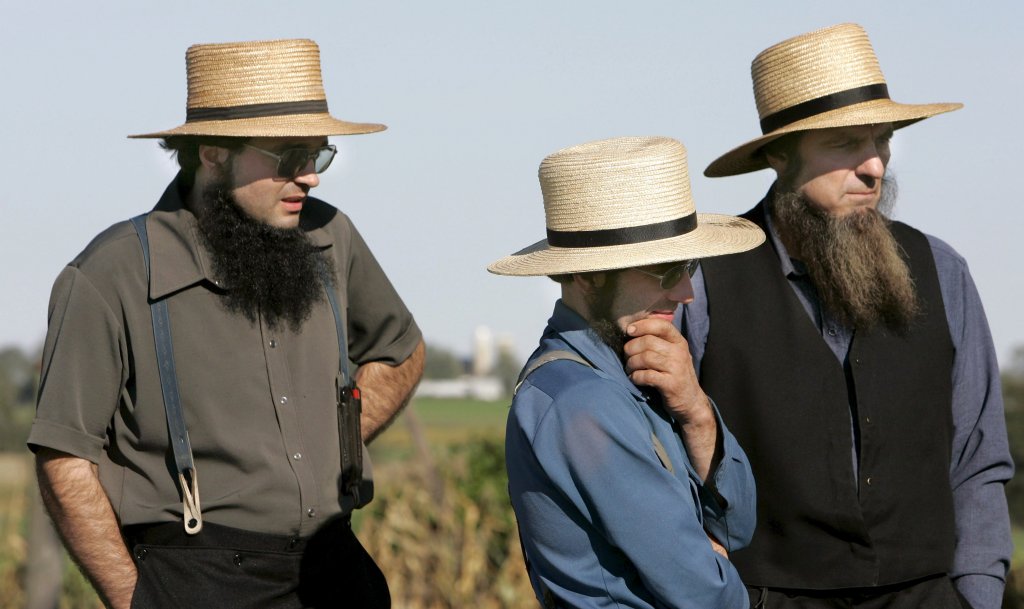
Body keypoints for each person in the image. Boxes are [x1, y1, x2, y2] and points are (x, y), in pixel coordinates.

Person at [28, 38, 425, 609]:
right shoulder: (110, 273)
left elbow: (400, 350)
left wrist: (335, 443)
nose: (311, 177)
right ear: (212, 151)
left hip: (335, 569)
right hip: (197, 577)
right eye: (291, 157)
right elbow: (65, 458)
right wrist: (136, 600)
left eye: (319, 155)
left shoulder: (330, 236)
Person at [685, 23, 1013, 609]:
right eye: (844, 144)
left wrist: (978, 596)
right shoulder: (704, 279)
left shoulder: (943, 270)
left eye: (882, 140)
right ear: (780, 156)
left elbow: (978, 459)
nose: (874, 168)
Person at [489, 136, 765, 608]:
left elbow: (737, 527)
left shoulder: (632, 369)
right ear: (587, 274)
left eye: (689, 266)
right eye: (663, 270)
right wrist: (708, 557)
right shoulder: (581, 402)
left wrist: (697, 412)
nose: (685, 292)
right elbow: (709, 595)